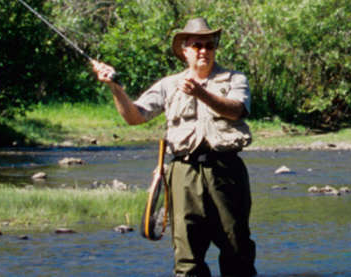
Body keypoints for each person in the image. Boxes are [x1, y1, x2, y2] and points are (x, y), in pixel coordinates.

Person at [92, 17, 257, 277]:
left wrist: (200, 93)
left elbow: (236, 110)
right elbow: (134, 116)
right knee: (187, 259)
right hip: (183, 174)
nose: (204, 50)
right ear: (184, 50)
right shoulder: (168, 85)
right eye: (197, 45)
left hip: (226, 172)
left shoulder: (235, 78)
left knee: (237, 252)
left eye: (209, 45)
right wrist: (115, 87)